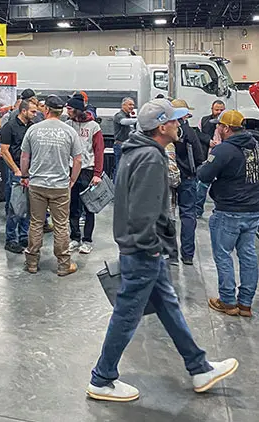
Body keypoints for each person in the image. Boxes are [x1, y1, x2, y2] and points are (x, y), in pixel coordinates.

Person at [87, 98, 238, 403]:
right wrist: (151, 248)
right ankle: (101, 379)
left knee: (167, 306)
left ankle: (199, 367)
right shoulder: (150, 158)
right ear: (161, 127)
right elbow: (143, 211)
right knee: (127, 314)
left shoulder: (136, 151)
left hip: (142, 249)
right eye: (174, 120)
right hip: (143, 251)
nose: (179, 124)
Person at [197, 110, 259, 318]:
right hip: (253, 210)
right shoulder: (255, 146)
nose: (216, 128)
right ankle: (246, 304)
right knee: (248, 256)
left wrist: (207, 163)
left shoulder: (224, 150)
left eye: (218, 125)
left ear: (225, 128)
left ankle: (228, 301)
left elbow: (204, 175)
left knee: (223, 256)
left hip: (228, 211)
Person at [20, 95, 83, 276]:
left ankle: (32, 263)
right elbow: (78, 160)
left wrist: (25, 175)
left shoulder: (33, 130)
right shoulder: (70, 131)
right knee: (61, 225)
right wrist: (72, 179)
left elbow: (25, 157)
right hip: (60, 186)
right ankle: (63, 265)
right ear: (61, 111)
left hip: (37, 184)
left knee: (36, 223)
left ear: (46, 109)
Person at [66, 93, 105, 255]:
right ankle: (75, 237)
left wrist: (97, 173)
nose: (67, 111)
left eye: (69, 109)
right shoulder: (68, 124)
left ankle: (87, 240)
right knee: (73, 206)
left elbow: (99, 150)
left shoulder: (93, 126)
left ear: (77, 109)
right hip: (71, 170)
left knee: (89, 208)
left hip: (88, 171)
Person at [170, 99, 205, 265]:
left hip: (169, 179)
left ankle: (171, 254)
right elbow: (199, 156)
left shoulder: (165, 131)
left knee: (168, 215)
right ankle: (188, 255)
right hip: (188, 178)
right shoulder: (190, 132)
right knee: (188, 215)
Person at [1, 100, 38, 254]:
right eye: (33, 111)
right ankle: (11, 240)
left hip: (31, 173)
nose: (35, 114)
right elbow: (4, 151)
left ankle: (23, 236)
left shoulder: (33, 127)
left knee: (28, 207)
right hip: (16, 173)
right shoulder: (9, 127)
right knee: (15, 208)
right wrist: (16, 169)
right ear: (23, 111)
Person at [196, 100, 225, 218]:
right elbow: (198, 133)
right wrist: (208, 141)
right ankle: (198, 210)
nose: (219, 112)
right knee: (202, 184)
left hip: (222, 157)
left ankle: (219, 210)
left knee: (222, 186)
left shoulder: (227, 122)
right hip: (207, 156)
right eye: (216, 109)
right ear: (212, 109)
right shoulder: (204, 120)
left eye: (221, 110)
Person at [112, 97, 136, 180]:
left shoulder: (128, 116)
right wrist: (139, 120)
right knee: (119, 169)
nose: (132, 106)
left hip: (127, 145)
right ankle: (116, 186)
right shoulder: (119, 116)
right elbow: (124, 122)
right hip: (120, 146)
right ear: (123, 105)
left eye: (133, 105)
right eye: (130, 104)